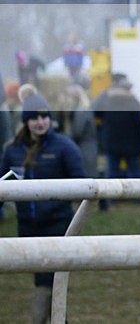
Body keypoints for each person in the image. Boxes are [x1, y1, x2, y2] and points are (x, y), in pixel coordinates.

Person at [0, 93, 85, 324]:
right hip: (28, 227)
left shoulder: (64, 146)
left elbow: (81, 182)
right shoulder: (12, 149)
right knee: (46, 281)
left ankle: (38, 320)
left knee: (48, 282)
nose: (40, 122)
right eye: (35, 117)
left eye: (44, 116)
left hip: (58, 225)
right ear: (26, 121)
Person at [93, 73, 140, 181]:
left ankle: (110, 197)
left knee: (112, 174)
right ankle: (137, 195)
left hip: (111, 142)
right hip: (132, 144)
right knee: (135, 173)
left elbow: (95, 113)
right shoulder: (132, 100)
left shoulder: (106, 99)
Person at [61, 84, 99, 179]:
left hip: (85, 149)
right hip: (88, 147)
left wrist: (62, 139)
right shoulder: (84, 109)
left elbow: (77, 132)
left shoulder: (81, 111)